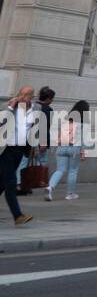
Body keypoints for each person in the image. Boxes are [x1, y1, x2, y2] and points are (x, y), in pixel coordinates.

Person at [2, 87, 36, 225]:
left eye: (26, 95)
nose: (22, 97)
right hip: (6, 150)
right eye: (21, 94)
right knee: (11, 182)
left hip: (20, 151)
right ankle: (18, 216)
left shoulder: (35, 111)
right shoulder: (10, 107)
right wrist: (9, 109)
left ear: (31, 97)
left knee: (1, 183)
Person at [46, 99, 90, 201]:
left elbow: (59, 135)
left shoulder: (66, 120)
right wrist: (83, 153)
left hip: (61, 147)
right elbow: (84, 140)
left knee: (60, 170)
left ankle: (50, 187)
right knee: (73, 171)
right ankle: (70, 194)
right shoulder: (84, 124)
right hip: (74, 148)